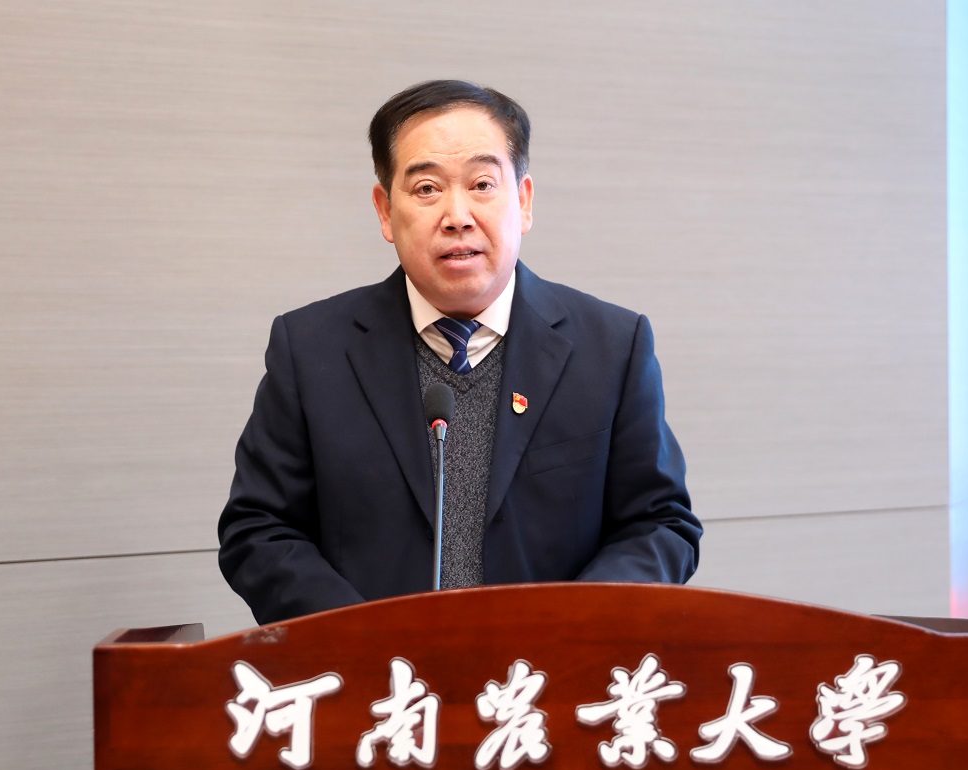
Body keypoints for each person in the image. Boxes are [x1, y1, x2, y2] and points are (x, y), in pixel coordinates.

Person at [218, 79, 701, 624]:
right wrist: (362, 640)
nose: (457, 215)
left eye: (482, 184)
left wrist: (572, 626)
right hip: (374, 672)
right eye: (426, 188)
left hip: (551, 668)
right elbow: (258, 530)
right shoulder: (311, 349)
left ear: (523, 201)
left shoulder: (611, 346)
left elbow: (661, 525)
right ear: (384, 210)